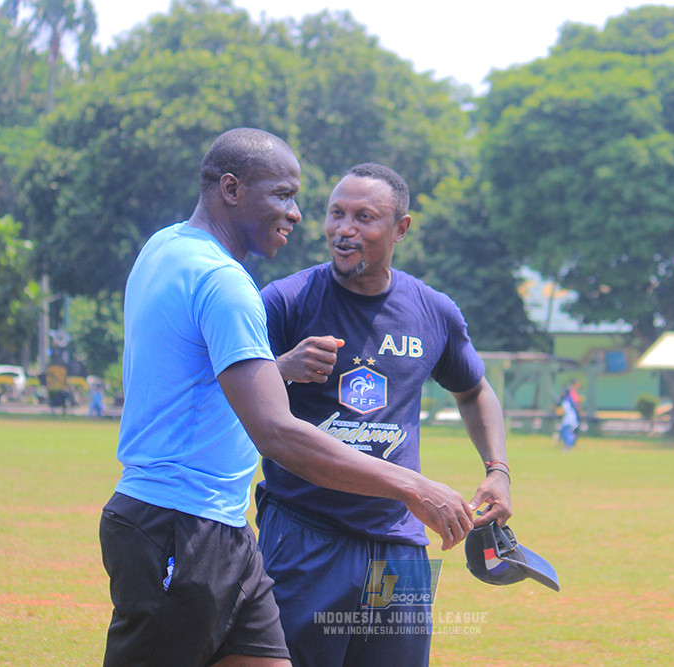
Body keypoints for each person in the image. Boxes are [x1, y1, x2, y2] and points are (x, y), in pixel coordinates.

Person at [99, 132, 474, 667]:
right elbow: (276, 434)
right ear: (231, 189)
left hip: (223, 530)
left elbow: (195, 379)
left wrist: (274, 369)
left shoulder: (164, 247)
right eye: (283, 195)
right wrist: (412, 487)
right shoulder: (230, 285)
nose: (296, 214)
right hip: (177, 522)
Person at [256, 163, 512, 667]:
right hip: (306, 536)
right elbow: (228, 395)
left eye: (364, 217)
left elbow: (474, 390)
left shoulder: (432, 311)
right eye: (336, 214)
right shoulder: (284, 303)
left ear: (401, 229)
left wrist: (497, 471)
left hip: (399, 545)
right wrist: (282, 368)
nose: (344, 229)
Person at [559, 379, 582, 448]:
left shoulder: (567, 399)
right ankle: (567, 444)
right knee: (564, 431)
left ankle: (569, 445)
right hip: (570, 417)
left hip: (569, 418)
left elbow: (566, 409)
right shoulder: (570, 396)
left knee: (567, 432)